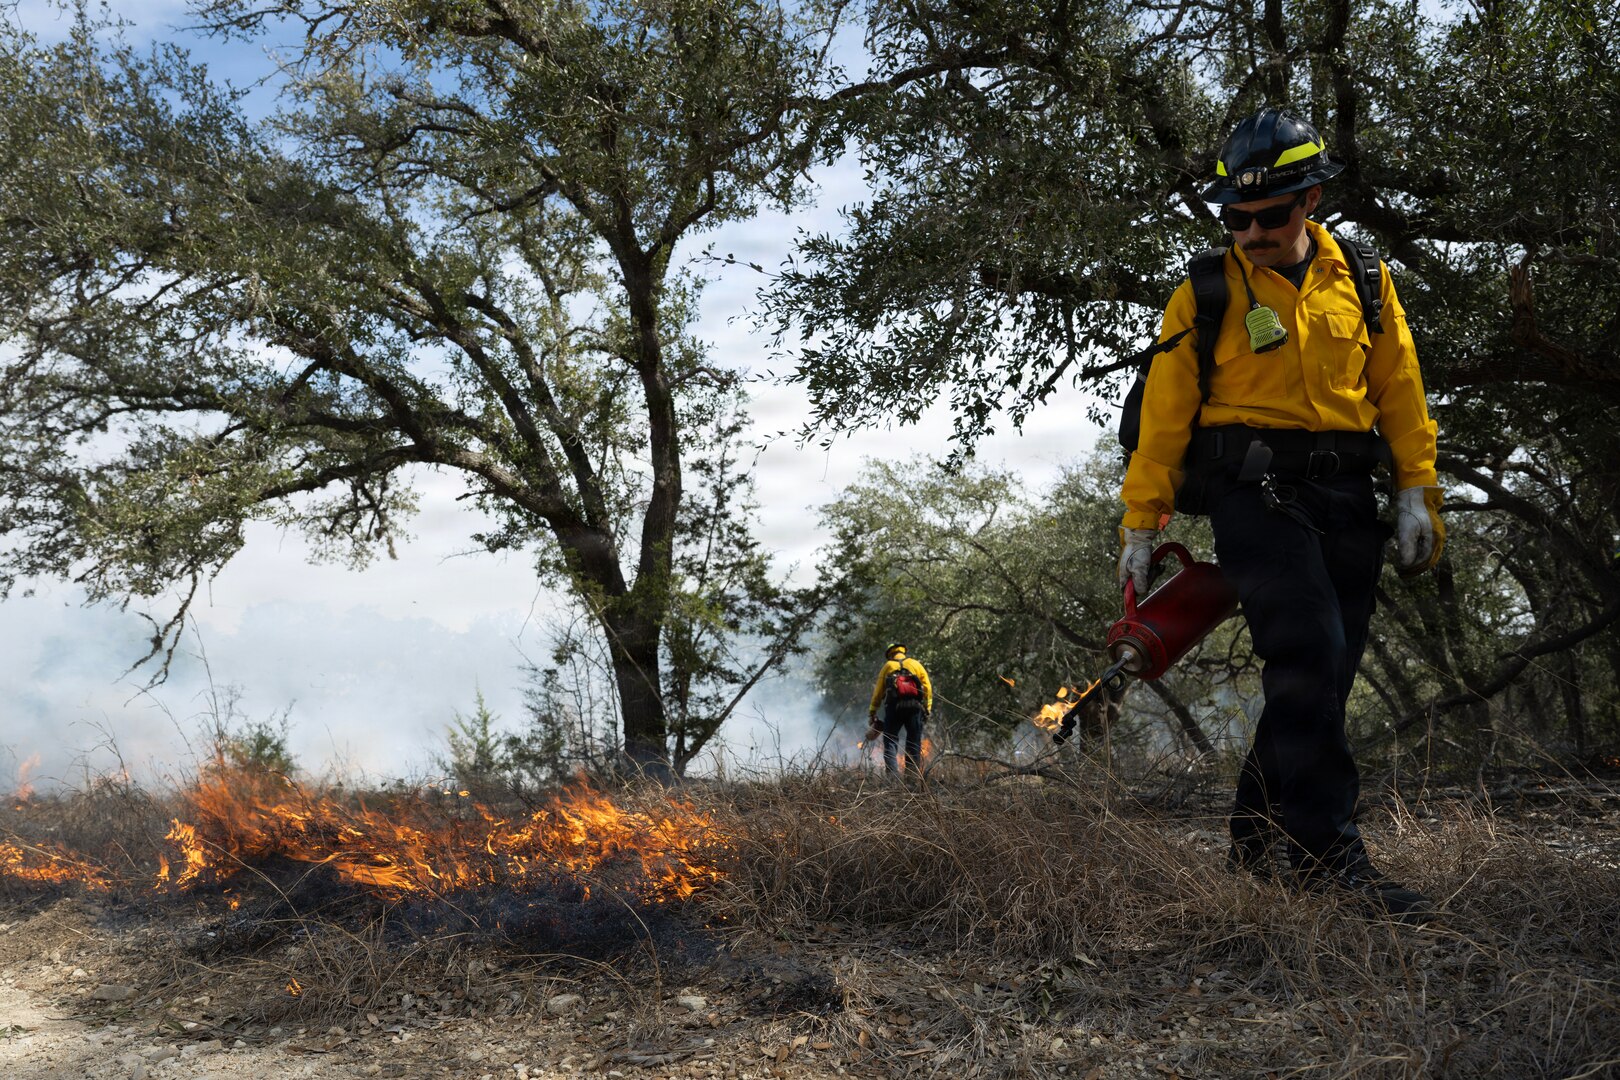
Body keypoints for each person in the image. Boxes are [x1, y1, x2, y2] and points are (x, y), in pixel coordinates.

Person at [1117, 106, 1446, 920]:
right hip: (1253, 495)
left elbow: (1399, 387)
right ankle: (1329, 858)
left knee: (1323, 678)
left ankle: (1255, 843)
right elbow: (1164, 411)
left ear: (1313, 200)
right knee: (1307, 651)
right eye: (1237, 216)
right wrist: (1140, 519)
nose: (1253, 230)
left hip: (1347, 496)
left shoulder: (1365, 279)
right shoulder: (1205, 290)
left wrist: (1417, 488)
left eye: (1271, 214)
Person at [867, 644, 933, 775]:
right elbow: (927, 688)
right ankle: (912, 778)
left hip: (894, 708)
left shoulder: (888, 666)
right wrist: (927, 708)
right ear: (903, 652)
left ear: (890, 655)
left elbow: (878, 692)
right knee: (914, 741)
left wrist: (872, 711)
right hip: (914, 708)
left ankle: (893, 780)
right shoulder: (915, 664)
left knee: (890, 740)